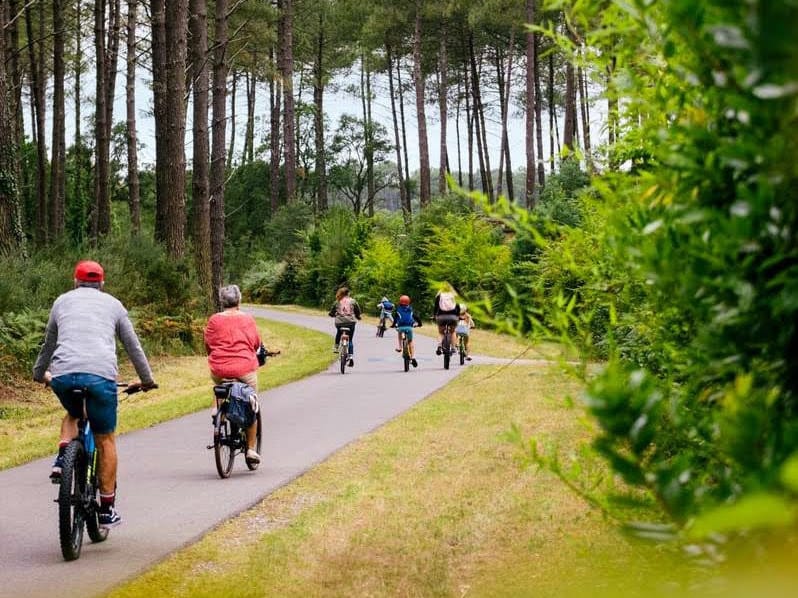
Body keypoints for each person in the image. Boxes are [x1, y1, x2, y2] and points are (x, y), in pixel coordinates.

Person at [33, 260, 157, 529]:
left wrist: (38, 373)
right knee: (105, 440)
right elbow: (133, 346)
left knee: (74, 413)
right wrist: (147, 380)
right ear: (102, 283)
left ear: (75, 281)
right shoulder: (114, 305)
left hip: (63, 376)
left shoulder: (61, 302)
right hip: (101, 378)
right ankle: (106, 509)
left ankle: (62, 458)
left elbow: (49, 343)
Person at [204, 284, 263, 464]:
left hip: (219, 368)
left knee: (219, 384)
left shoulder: (214, 320)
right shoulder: (247, 319)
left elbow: (208, 344)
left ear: (222, 302)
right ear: (239, 300)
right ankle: (251, 449)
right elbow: (255, 343)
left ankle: (218, 408)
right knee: (251, 403)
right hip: (244, 369)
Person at [328, 286, 362, 366]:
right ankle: (350, 357)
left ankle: (336, 347)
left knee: (339, 333)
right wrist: (358, 316)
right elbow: (357, 311)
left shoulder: (337, 301)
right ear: (348, 293)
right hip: (351, 322)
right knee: (350, 340)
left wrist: (331, 314)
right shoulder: (353, 301)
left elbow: (332, 311)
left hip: (339, 322)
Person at [392, 295, 422, 367]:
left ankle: (400, 347)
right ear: (408, 302)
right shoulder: (410, 310)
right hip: (409, 327)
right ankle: (413, 357)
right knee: (410, 342)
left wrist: (393, 325)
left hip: (401, 327)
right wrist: (420, 324)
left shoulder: (398, 310)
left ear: (400, 302)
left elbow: (395, 319)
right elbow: (416, 317)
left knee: (399, 333)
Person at [432, 284, 461, 355]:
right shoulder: (453, 296)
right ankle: (453, 348)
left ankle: (439, 346)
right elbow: (458, 307)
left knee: (441, 332)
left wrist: (434, 315)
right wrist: (458, 315)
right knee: (453, 331)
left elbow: (436, 307)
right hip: (453, 317)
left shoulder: (439, 295)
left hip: (441, 316)